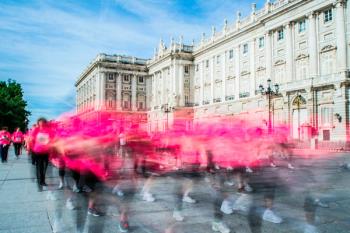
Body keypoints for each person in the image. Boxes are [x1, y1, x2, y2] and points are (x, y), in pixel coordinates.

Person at [31, 118, 54, 191]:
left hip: (46, 151)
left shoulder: (48, 131)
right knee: (39, 167)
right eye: (40, 122)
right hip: (37, 151)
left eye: (43, 122)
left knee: (45, 167)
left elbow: (52, 139)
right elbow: (32, 139)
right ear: (38, 123)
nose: (42, 124)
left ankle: (43, 180)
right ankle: (40, 181)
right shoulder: (36, 130)